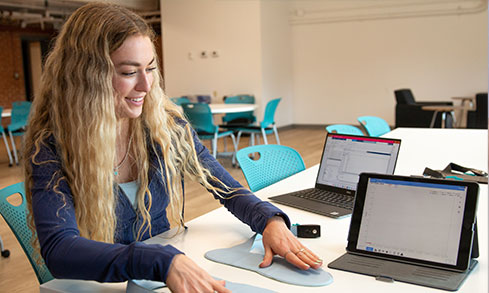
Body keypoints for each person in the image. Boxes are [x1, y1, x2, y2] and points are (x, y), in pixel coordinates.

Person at [23, 2, 322, 292]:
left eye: (150, 69)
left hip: (162, 275)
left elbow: (226, 188)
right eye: (129, 72)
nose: (146, 85)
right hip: (104, 282)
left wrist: (269, 220)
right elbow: (59, 249)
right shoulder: (52, 146)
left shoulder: (164, 126)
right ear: (87, 77)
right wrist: (159, 260)